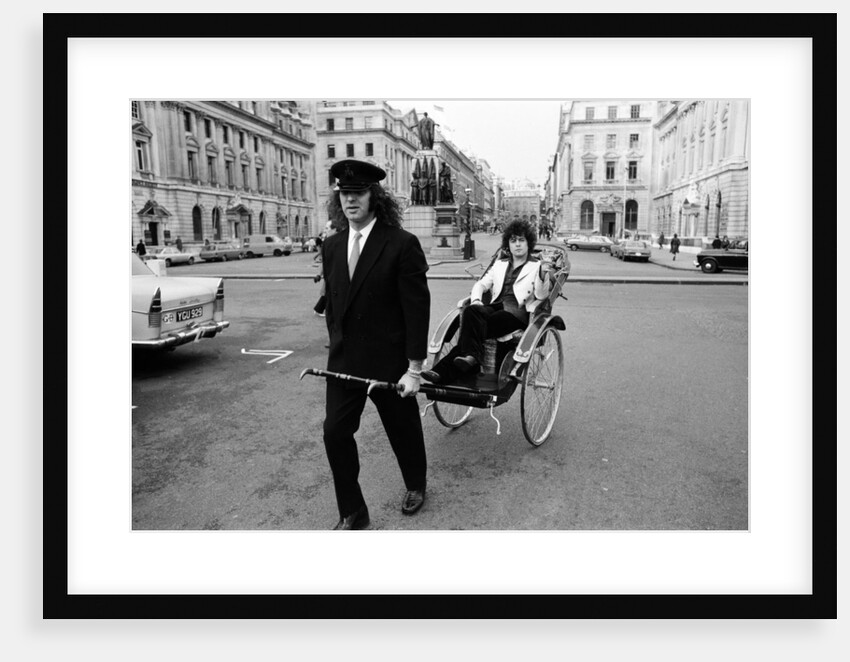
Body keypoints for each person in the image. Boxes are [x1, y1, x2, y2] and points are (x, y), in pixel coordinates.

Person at [320, 158, 431, 530]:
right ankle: (353, 511)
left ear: (374, 196)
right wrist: (335, 340)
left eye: (359, 193)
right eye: (345, 193)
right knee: (334, 433)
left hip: (389, 361)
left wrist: (414, 368)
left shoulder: (401, 244)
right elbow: (335, 304)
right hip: (345, 361)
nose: (351, 200)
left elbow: (417, 310)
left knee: (403, 431)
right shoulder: (332, 246)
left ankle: (416, 483)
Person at [421, 219, 552, 386]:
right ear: (508, 244)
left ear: (529, 243)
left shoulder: (537, 266)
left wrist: (542, 274)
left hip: (517, 313)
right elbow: (482, 284)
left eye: (521, 240)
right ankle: (471, 358)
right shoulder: (500, 264)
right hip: (497, 306)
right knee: (471, 311)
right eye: (513, 241)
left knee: (478, 327)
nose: (517, 245)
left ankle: (443, 372)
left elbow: (541, 296)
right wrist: (476, 300)